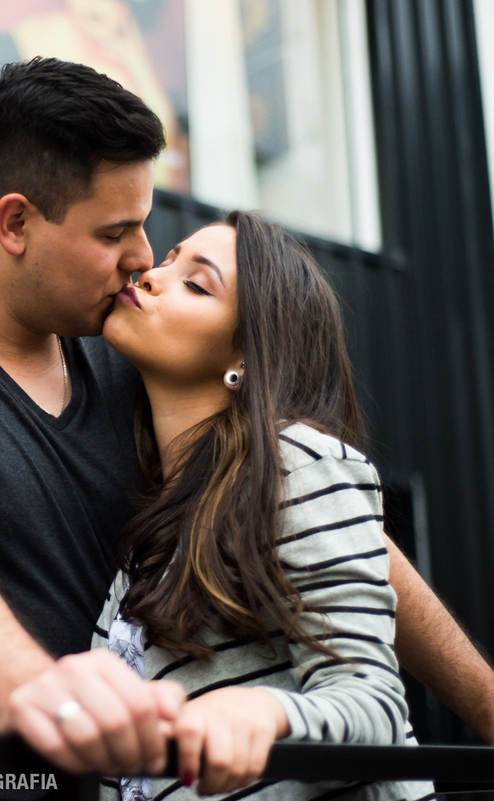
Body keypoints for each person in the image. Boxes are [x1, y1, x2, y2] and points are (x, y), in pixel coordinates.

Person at [0, 59, 494, 800]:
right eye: (116, 232)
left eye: (148, 229)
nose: (141, 259)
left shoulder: (135, 359)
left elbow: (332, 532)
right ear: (15, 223)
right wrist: (38, 688)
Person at [94, 211, 431, 801]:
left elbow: (373, 704)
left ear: (245, 359)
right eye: (168, 260)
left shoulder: (293, 463)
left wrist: (264, 715)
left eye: (197, 283)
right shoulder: (144, 547)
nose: (151, 275)